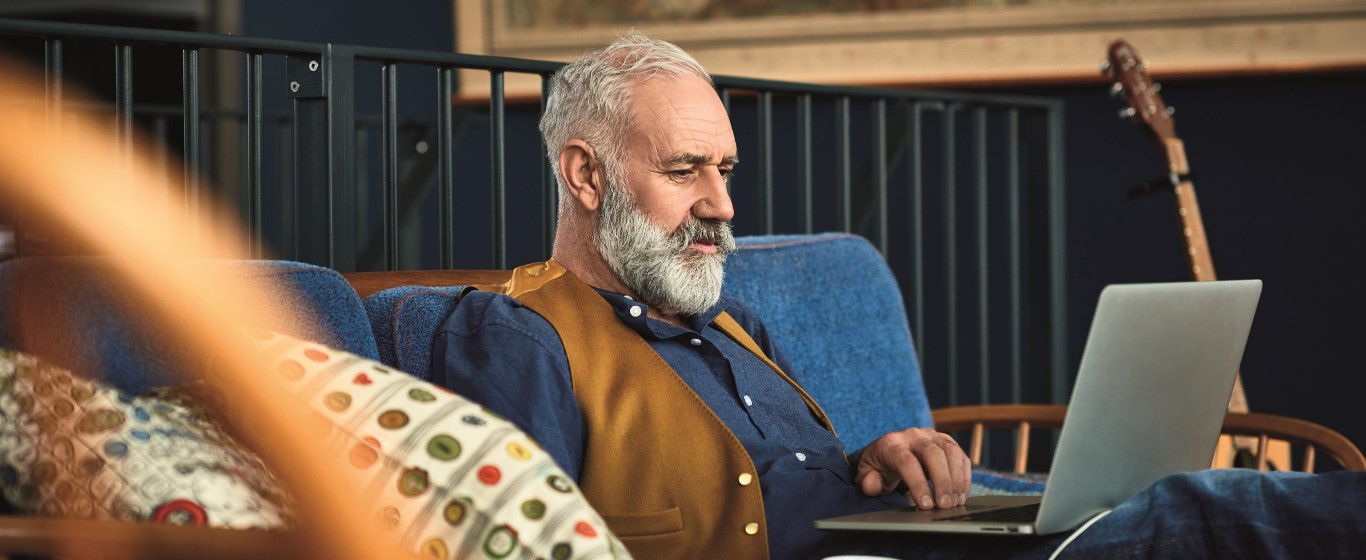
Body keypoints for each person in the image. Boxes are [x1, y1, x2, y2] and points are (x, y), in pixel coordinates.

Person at [432, 32, 1366, 559]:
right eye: (685, 171)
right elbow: (516, 541)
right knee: (1203, 516)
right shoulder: (516, 335)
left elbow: (793, 480)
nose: (721, 206)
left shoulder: (732, 325)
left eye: (726, 168)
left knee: (1179, 507)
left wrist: (876, 459)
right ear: (586, 177)